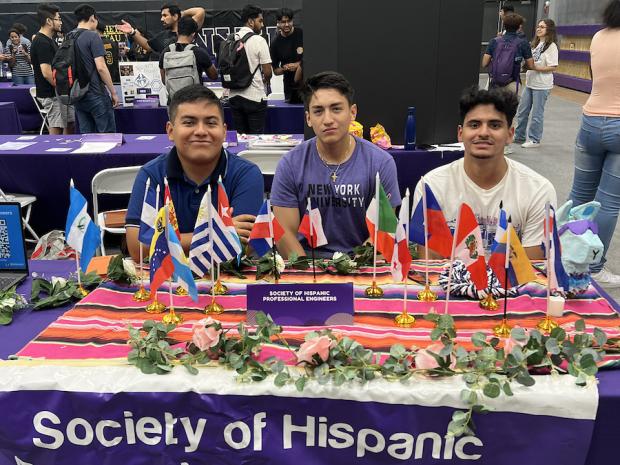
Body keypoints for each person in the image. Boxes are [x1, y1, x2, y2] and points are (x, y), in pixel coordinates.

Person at [413, 86, 556, 260]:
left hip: (511, 287)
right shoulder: (432, 186)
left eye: (495, 125)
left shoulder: (538, 190)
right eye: (474, 125)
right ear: (460, 133)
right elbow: (430, 266)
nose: (483, 133)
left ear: (510, 134)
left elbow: (531, 269)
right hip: (449, 285)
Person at [125, 85, 264, 262]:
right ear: (170, 131)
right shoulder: (151, 175)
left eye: (211, 123)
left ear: (223, 131)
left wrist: (167, 242)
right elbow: (137, 249)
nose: (200, 131)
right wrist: (213, 234)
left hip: (226, 279)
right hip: (167, 282)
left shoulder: (246, 174)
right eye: (189, 122)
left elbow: (243, 246)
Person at [271, 71, 401, 258]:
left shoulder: (381, 163)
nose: (328, 119)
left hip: (361, 265)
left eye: (336, 109)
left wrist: (352, 271)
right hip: (307, 265)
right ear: (308, 118)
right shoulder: (290, 164)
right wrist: (311, 279)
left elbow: (383, 230)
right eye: (318, 111)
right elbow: (285, 235)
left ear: (353, 112)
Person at [567, 0, 620, 286]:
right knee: (609, 202)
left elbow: (593, 77)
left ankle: (564, 253)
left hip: (591, 120)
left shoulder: (599, 36)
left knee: (579, 195)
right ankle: (595, 265)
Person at [70, 4, 119, 133]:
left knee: (87, 137)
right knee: (107, 136)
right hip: (95, 92)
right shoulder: (93, 36)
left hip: (77, 93)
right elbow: (101, 67)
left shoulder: (68, 36)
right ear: (92, 18)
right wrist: (113, 92)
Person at [513, 19, 559, 149]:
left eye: (542, 27)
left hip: (542, 85)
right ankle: (519, 136)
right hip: (530, 83)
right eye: (538, 26)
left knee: (537, 114)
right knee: (522, 111)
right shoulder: (535, 44)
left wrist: (535, 68)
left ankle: (534, 139)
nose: (538, 29)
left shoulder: (552, 47)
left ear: (549, 30)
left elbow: (553, 66)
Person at [228, 4, 272, 134]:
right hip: (254, 97)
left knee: (241, 139)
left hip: (234, 96)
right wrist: (265, 80)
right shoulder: (259, 40)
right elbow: (268, 71)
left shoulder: (231, 39)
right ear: (251, 21)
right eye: (260, 20)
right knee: (256, 140)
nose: (262, 25)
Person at [31, 2, 74, 134]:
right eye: (58, 19)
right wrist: (61, 89)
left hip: (60, 93)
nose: (61, 22)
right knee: (57, 128)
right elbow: (46, 72)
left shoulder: (50, 40)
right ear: (49, 21)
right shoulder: (41, 42)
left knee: (69, 124)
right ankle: (53, 154)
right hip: (52, 94)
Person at [116, 3, 205, 59]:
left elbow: (200, 11)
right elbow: (148, 46)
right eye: (161, 16)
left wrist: (182, 13)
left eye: (165, 15)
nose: (162, 19)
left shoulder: (188, 27)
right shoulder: (163, 36)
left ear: (175, 16)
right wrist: (132, 32)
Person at [158, 16, 218, 89]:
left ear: (177, 32)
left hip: (175, 98)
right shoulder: (199, 52)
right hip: (194, 98)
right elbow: (214, 76)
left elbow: (164, 80)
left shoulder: (165, 52)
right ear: (193, 34)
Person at [482, 13, 534, 94]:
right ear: (519, 26)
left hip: (495, 83)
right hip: (513, 82)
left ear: (504, 25)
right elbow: (531, 65)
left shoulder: (494, 41)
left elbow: (484, 63)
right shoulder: (523, 43)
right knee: (511, 105)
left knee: (494, 106)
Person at [270, 7, 303, 103]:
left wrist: (298, 65)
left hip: (306, 83)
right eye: (283, 22)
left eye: (289, 21)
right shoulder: (275, 43)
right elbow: (276, 71)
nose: (287, 24)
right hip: (289, 88)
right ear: (278, 23)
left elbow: (313, 57)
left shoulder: (302, 34)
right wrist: (286, 68)